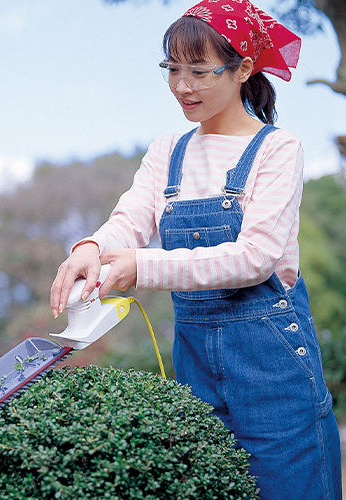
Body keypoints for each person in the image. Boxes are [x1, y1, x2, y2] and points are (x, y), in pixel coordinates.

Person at [50, 1, 342, 498]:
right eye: (173, 69)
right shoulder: (169, 150)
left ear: (243, 69)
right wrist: (93, 248)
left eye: (200, 72)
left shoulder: (277, 149)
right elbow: (133, 218)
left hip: (273, 369)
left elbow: (255, 258)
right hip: (196, 364)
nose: (182, 86)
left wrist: (141, 265)